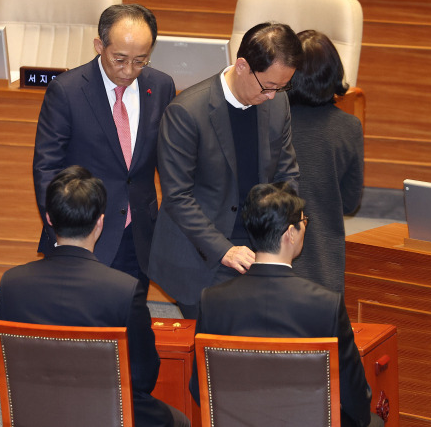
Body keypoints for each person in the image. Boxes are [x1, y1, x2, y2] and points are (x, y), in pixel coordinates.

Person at [0, 166, 189, 427]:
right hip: (105, 414)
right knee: (178, 421)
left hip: (38, 411)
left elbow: (15, 367)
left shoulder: (12, 284)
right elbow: (144, 377)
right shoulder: (124, 289)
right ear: (100, 222)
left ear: (49, 219)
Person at [188, 182, 382, 427]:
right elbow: (355, 397)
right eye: (304, 221)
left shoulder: (212, 301)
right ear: (290, 233)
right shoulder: (325, 304)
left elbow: (199, 388)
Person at [148, 22, 303, 319]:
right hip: (201, 251)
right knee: (213, 346)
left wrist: (285, 226)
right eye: (268, 86)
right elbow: (177, 197)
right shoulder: (186, 112)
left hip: (257, 244)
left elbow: (286, 174)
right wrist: (225, 250)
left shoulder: (278, 103)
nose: (272, 95)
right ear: (242, 66)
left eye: (281, 87)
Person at [32, 4, 176, 289]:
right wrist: (62, 233)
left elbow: (169, 160)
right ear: (100, 45)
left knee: (130, 322)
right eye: (119, 59)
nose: (128, 70)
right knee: (79, 326)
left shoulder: (161, 86)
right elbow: (46, 168)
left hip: (138, 235)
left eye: (140, 61)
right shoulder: (67, 90)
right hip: (82, 232)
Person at [288, 29, 364, 293]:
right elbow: (350, 202)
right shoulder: (350, 127)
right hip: (323, 269)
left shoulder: (266, 121)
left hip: (264, 265)